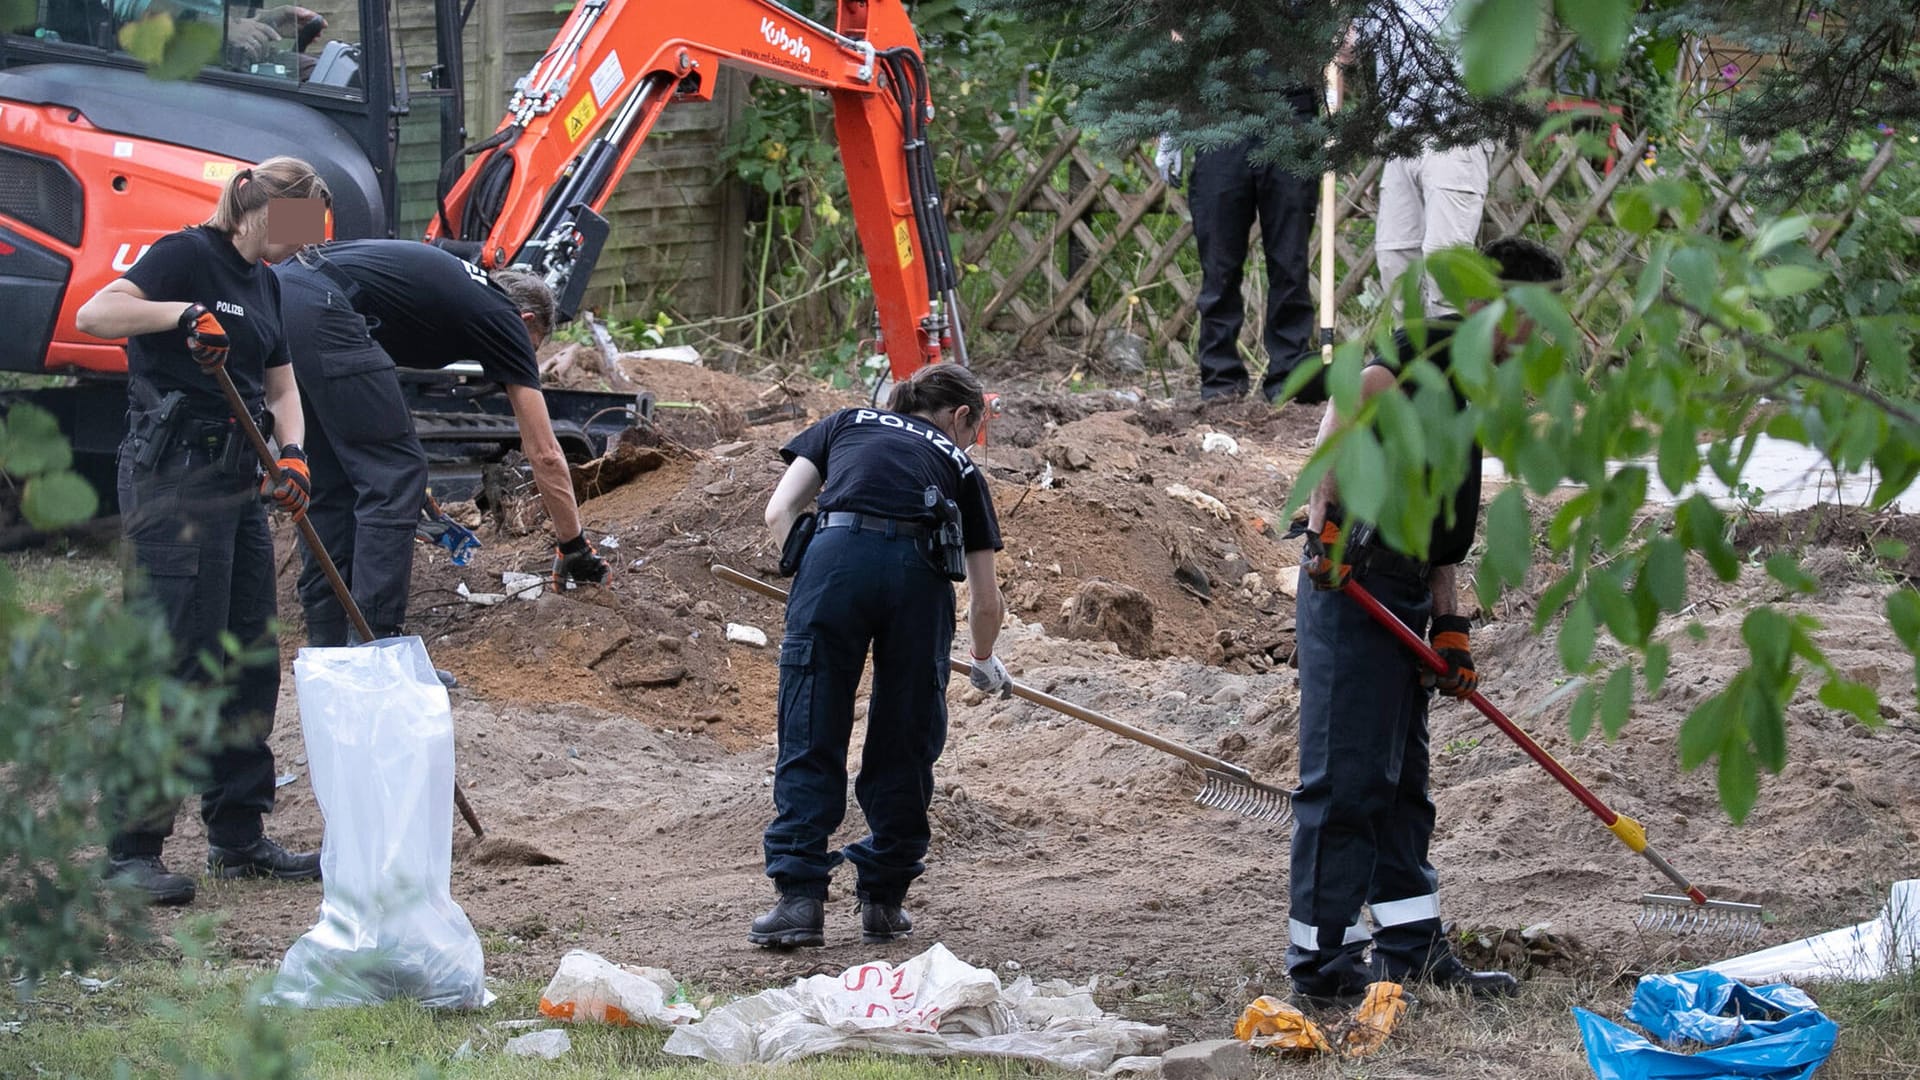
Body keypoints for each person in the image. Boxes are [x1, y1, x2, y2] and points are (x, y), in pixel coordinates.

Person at [1286, 236, 1565, 1004]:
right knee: (1344, 783)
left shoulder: (1471, 385)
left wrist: (1450, 624)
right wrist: (1326, 525)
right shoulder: (1422, 350)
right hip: (1352, 585)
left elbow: (1443, 522)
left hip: (1404, 591)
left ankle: (1411, 948)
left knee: (1403, 784)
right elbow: (1345, 410)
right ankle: (1321, 964)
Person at [74, 156, 330, 906]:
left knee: (248, 659)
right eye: (298, 220)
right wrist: (181, 315)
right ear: (257, 207)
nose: (303, 237)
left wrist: (294, 455)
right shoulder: (188, 255)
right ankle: (131, 852)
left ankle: (238, 837)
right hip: (173, 481)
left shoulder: (269, 283)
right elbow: (98, 314)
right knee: (176, 661)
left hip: (238, 484)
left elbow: (282, 388)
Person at [750, 364, 1010, 948]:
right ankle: (883, 903)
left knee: (810, 726)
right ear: (961, 415)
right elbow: (985, 596)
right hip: (917, 581)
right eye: (976, 428)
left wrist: (814, 574)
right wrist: (985, 657)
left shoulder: (844, 422)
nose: (971, 440)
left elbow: (777, 513)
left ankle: (799, 904)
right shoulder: (960, 463)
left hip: (833, 560)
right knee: (904, 739)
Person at [272, 240, 609, 656]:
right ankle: (379, 653)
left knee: (332, 482)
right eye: (532, 346)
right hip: (325, 307)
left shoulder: (456, 291)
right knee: (397, 473)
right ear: (525, 319)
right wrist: (574, 545)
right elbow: (544, 452)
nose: (519, 362)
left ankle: (328, 651)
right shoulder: (502, 317)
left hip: (282, 294)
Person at [1159, 81, 1324, 405]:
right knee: (1219, 265)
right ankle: (1221, 382)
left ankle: (1288, 380)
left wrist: (1332, 110)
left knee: (1290, 263)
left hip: (1291, 114)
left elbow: (1336, 44)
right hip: (1219, 119)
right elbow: (1181, 40)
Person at [1366, 0, 1493, 319]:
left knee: (1445, 265)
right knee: (1394, 260)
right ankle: (1410, 363)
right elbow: (1363, 37)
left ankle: (1451, 365)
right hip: (1402, 134)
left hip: (1456, 130)